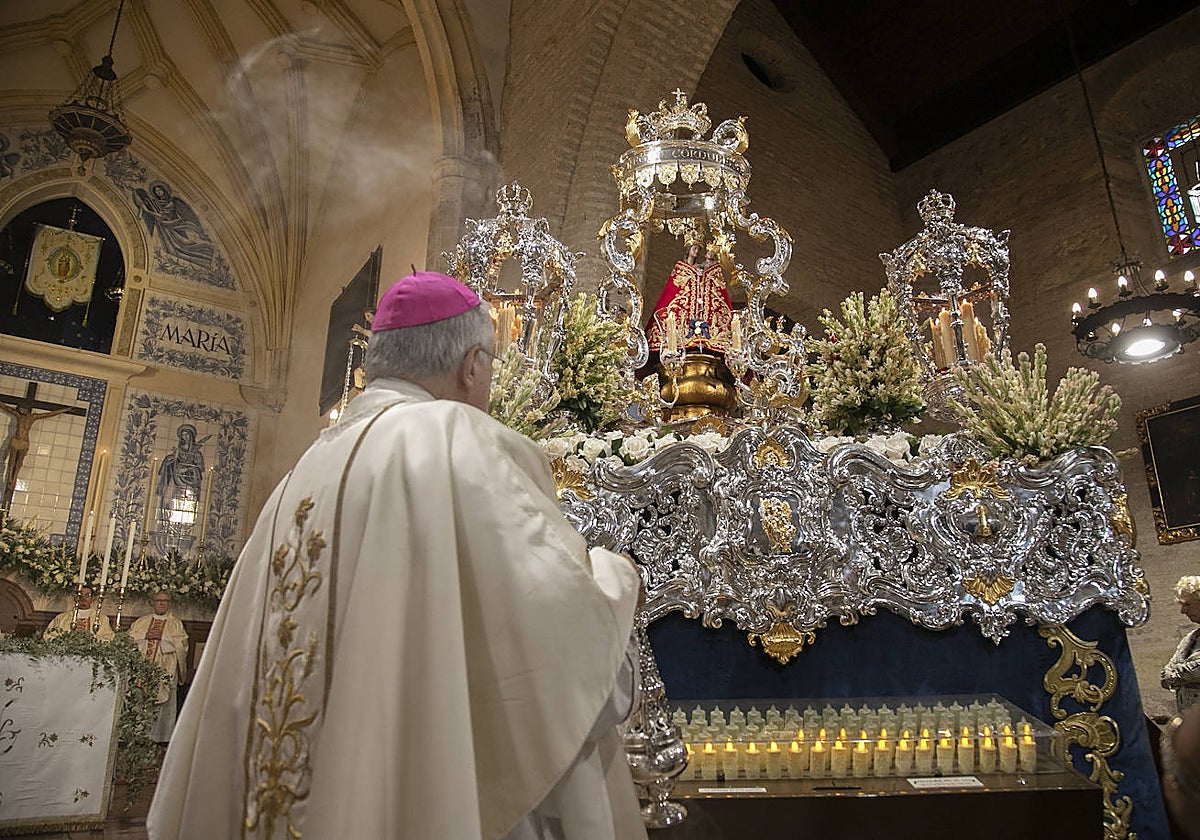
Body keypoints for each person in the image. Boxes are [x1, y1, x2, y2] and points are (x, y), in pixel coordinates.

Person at [148, 271, 646, 840]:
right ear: (471, 365)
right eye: (490, 369)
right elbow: (559, 642)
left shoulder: (301, 474)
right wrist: (617, 577)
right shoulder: (453, 437)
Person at [128, 591, 190, 743]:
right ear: (153, 602)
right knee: (140, 700)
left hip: (165, 669)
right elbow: (129, 640)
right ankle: (138, 736)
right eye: (159, 600)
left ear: (169, 603)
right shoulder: (141, 622)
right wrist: (145, 637)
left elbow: (182, 645)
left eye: (166, 601)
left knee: (163, 704)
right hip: (143, 669)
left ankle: (160, 737)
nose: (162, 603)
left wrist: (164, 638)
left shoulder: (175, 623)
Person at [1163, 575, 1200, 714]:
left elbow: (1196, 671)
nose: (1183, 611)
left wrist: (1175, 675)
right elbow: (1165, 675)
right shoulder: (1189, 638)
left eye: (1188, 604)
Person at [43, 586, 115, 641]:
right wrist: (69, 636)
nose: (83, 599)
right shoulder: (61, 618)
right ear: (75, 598)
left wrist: (92, 639)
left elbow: (108, 638)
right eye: (80, 595)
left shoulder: (102, 619)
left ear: (92, 598)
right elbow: (48, 636)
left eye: (87, 595)